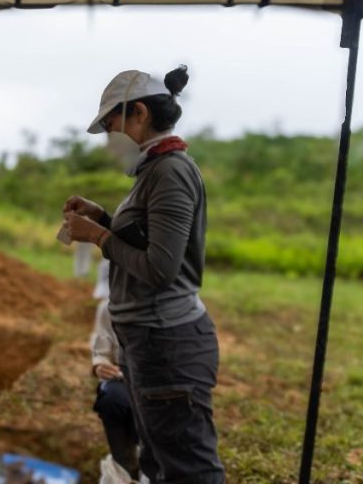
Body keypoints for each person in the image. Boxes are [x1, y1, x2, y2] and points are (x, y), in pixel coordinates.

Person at [62, 67, 224, 483]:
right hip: (148, 339)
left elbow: (160, 268)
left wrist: (99, 237)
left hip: (166, 343)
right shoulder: (156, 168)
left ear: (137, 112)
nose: (111, 133)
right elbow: (149, 241)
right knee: (159, 457)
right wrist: (105, 218)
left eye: (112, 122)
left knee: (187, 467)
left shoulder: (170, 171)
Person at [89, 264, 140, 480]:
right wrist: (100, 365)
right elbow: (101, 347)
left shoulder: (161, 311)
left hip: (155, 384)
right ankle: (125, 463)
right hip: (122, 379)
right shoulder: (106, 310)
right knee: (111, 398)